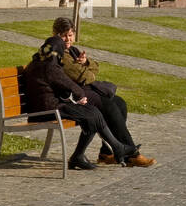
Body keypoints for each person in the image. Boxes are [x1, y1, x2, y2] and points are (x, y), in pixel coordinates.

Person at [51, 17, 155, 167]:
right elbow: (84, 77)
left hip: (83, 91)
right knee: (109, 107)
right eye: (64, 35)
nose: (67, 38)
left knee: (120, 103)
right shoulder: (60, 54)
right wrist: (88, 71)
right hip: (73, 97)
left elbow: (95, 68)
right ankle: (132, 154)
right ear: (55, 34)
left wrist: (86, 63)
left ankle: (106, 152)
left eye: (70, 34)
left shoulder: (72, 50)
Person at [23, 32, 133, 171]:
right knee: (91, 114)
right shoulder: (50, 66)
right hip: (48, 109)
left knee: (91, 112)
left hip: (45, 107)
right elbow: (67, 83)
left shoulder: (39, 62)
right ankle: (115, 148)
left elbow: (59, 83)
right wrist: (80, 95)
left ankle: (98, 152)